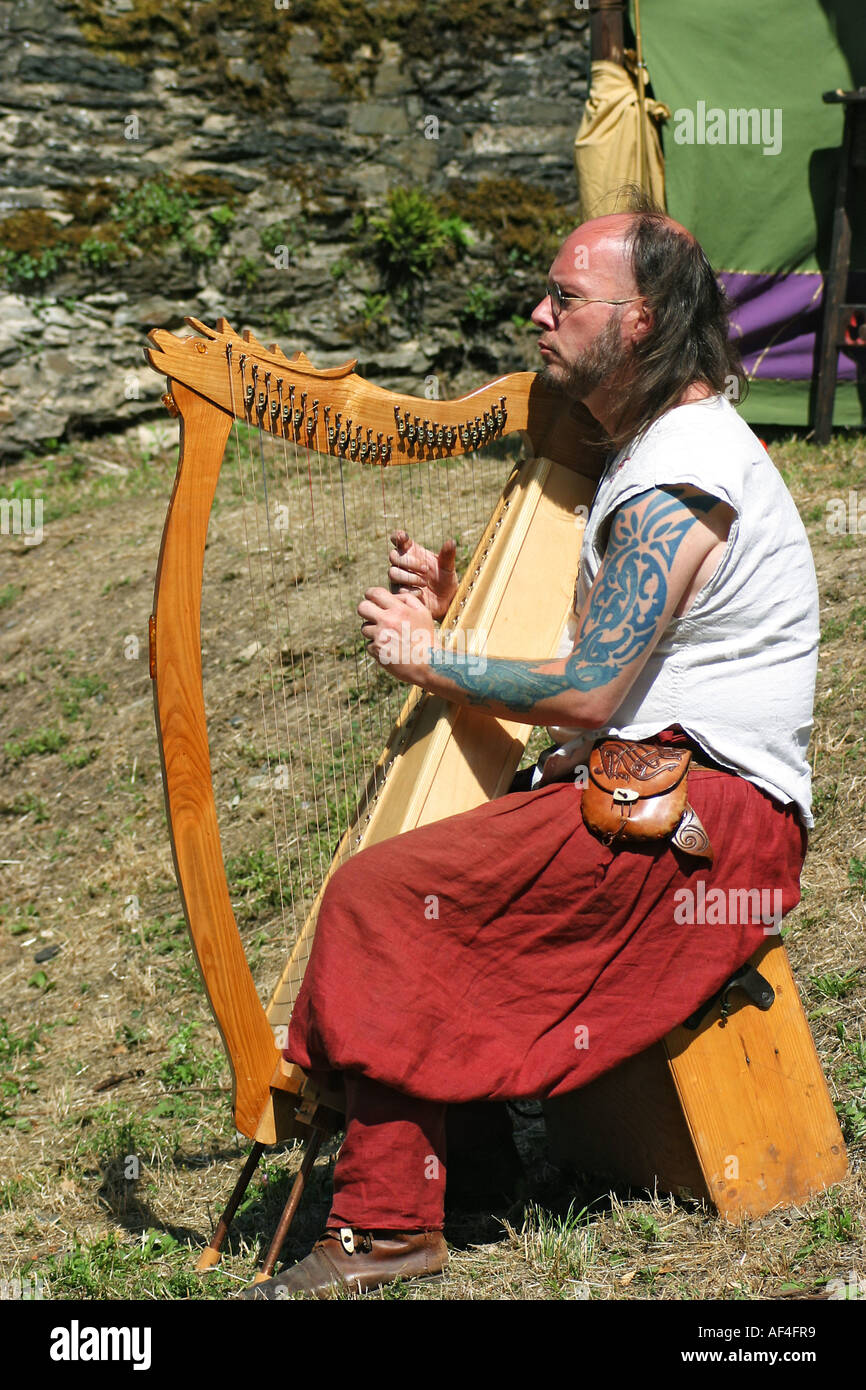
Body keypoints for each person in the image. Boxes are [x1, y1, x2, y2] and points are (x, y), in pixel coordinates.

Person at [239, 208, 818, 1299]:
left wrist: (430, 660)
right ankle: (475, 1166)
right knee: (425, 888)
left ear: (638, 323)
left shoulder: (674, 473)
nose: (536, 315)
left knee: (378, 894)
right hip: (661, 793)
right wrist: (459, 624)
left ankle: (385, 1227)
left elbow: (591, 689)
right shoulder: (655, 452)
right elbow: (613, 670)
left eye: (564, 299)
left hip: (704, 827)